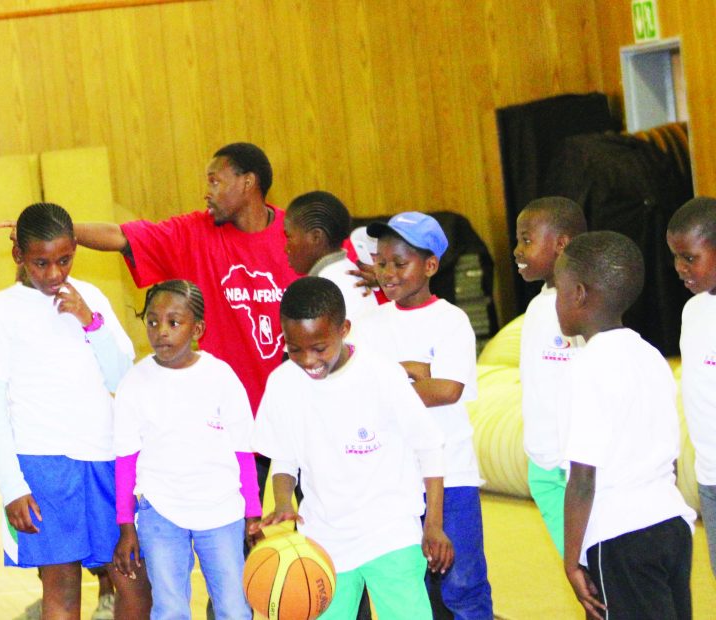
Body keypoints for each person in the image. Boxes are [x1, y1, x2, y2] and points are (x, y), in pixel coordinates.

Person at [0, 202, 151, 620]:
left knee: (134, 578)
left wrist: (92, 321)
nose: (53, 274)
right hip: (43, 464)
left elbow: (123, 378)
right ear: (19, 257)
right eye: (41, 263)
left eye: (64, 260)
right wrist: (12, 485)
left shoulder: (93, 296)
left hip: (105, 458)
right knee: (62, 589)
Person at [250, 276, 452, 619]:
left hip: (391, 531)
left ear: (344, 329)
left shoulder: (381, 374)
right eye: (294, 348)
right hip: (324, 540)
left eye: (319, 348)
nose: (307, 359)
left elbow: (430, 447)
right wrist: (283, 501)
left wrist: (433, 523)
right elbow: (283, 460)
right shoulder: (282, 383)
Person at [73, 143, 298, 418]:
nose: (207, 193)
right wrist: (59, 231)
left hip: (295, 415)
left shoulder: (298, 235)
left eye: (215, 182)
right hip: (228, 418)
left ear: (248, 183)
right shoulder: (193, 234)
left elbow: (348, 269)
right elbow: (121, 237)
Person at [556, 231, 696, 620]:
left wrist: (571, 560)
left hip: (621, 535)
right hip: (672, 524)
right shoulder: (651, 356)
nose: (557, 302)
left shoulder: (587, 367)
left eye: (560, 292)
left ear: (580, 294)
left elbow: (583, 478)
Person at [366, 212, 493, 619]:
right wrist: (412, 372)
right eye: (381, 263)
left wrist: (391, 382)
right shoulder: (369, 326)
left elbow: (446, 389)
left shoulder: (451, 321)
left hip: (451, 477)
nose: (387, 273)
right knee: (411, 590)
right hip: (393, 481)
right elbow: (359, 393)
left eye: (399, 263)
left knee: (463, 585)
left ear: (431, 266)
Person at [111, 279, 259, 619]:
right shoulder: (134, 383)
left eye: (173, 322)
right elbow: (126, 460)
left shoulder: (221, 377)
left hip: (221, 511)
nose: (161, 331)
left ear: (198, 328)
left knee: (235, 608)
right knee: (169, 608)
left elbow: (242, 451)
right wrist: (126, 526)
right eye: (152, 321)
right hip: (160, 511)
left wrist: (252, 512)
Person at [512, 196, 587, 556]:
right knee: (576, 567)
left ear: (562, 244)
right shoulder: (539, 304)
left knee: (591, 567)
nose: (517, 250)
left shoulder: (584, 306)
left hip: (575, 468)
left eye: (527, 239)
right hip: (543, 465)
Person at [667, 196, 716, 578]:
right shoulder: (693, 310)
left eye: (689, 258)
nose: (679, 268)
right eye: (675, 257)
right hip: (710, 477)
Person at [284, 191, 380, 337]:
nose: (286, 248)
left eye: (289, 236)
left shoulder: (322, 289)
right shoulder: (346, 271)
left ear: (316, 237)